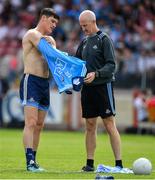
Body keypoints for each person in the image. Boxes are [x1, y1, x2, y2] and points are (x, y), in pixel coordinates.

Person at [76, 10, 123, 171]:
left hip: (104, 86)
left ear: (93, 22)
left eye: (85, 25)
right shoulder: (83, 43)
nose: (83, 29)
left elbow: (112, 65)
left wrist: (96, 74)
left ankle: (119, 163)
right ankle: (89, 164)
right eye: (81, 26)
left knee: (109, 124)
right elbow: (76, 64)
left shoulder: (104, 40)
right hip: (87, 89)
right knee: (89, 125)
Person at [19, 8, 59, 172]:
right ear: (43, 18)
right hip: (32, 81)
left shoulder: (50, 39)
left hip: (44, 83)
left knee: (40, 125)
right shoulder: (32, 34)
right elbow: (48, 51)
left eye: (56, 23)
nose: (54, 25)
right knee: (31, 122)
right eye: (52, 21)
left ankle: (34, 160)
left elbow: (54, 61)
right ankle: (29, 162)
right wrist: (53, 45)